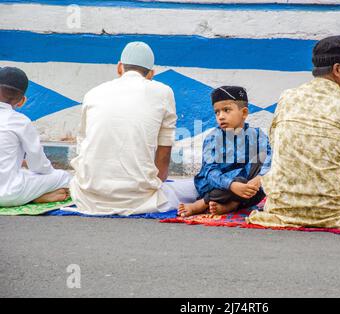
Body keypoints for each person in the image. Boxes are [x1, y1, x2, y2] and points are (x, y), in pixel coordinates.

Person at [247, 35, 340, 229]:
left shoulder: (287, 98)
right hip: (333, 213)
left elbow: (277, 148)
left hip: (282, 208)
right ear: (337, 69)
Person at [70, 42, 197, 215]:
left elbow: (82, 144)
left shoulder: (93, 93)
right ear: (151, 74)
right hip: (141, 201)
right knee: (195, 187)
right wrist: (155, 184)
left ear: (119, 67)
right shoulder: (163, 92)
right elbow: (164, 154)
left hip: (87, 198)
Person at [178, 86, 272, 217]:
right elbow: (210, 172)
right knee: (235, 182)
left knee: (265, 175)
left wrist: (258, 179)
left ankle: (232, 205)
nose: (220, 116)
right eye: (217, 112)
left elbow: (270, 161)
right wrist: (232, 185)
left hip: (248, 187)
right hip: (218, 188)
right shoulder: (212, 138)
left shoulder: (257, 135)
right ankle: (201, 204)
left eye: (226, 110)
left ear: (244, 113)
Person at [0, 67, 71, 207]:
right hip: (8, 194)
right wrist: (50, 175)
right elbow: (38, 165)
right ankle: (35, 196)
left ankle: (32, 195)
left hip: (9, 187)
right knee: (64, 177)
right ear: (22, 101)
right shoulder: (20, 121)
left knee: (22, 174)